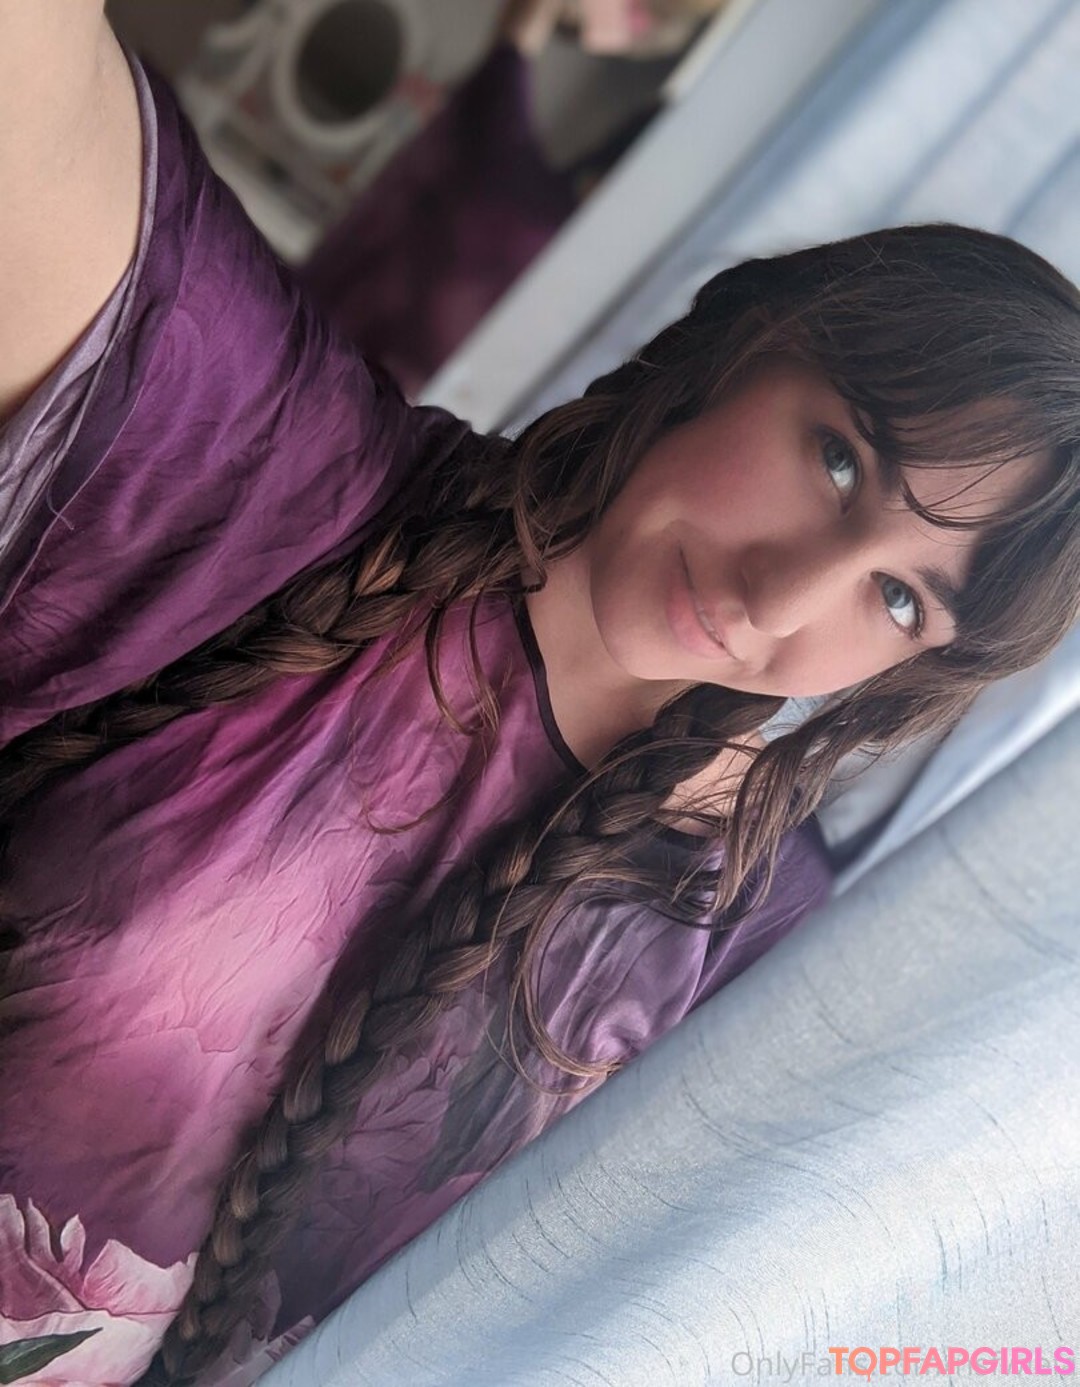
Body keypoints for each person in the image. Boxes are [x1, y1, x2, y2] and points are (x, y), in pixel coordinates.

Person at [0, 9, 1078, 1387]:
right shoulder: (271, 474)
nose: (785, 596)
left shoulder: (747, 962)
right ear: (750, 346)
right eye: (838, 461)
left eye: (902, 600)